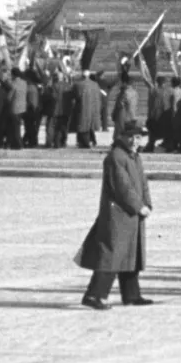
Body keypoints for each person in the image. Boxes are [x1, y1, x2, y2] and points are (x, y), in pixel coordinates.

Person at [76, 119, 153, 309]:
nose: (135, 141)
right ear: (122, 137)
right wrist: (137, 206)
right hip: (118, 214)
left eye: (138, 137)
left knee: (130, 254)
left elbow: (143, 184)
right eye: (132, 137)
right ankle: (94, 295)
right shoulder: (116, 157)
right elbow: (122, 187)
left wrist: (147, 204)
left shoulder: (134, 157)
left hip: (132, 214)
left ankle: (131, 294)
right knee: (111, 255)